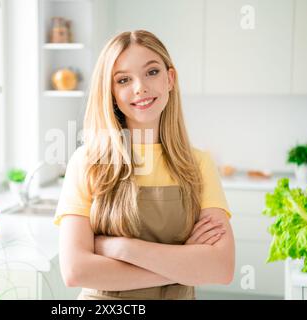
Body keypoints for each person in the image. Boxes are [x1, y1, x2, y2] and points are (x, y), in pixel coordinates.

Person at [53, 30, 235, 300]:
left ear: (170, 79)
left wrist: (123, 249)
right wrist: (186, 266)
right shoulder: (87, 162)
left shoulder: (198, 164)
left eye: (152, 72)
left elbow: (221, 268)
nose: (140, 87)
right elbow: (75, 271)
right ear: (111, 92)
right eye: (124, 80)